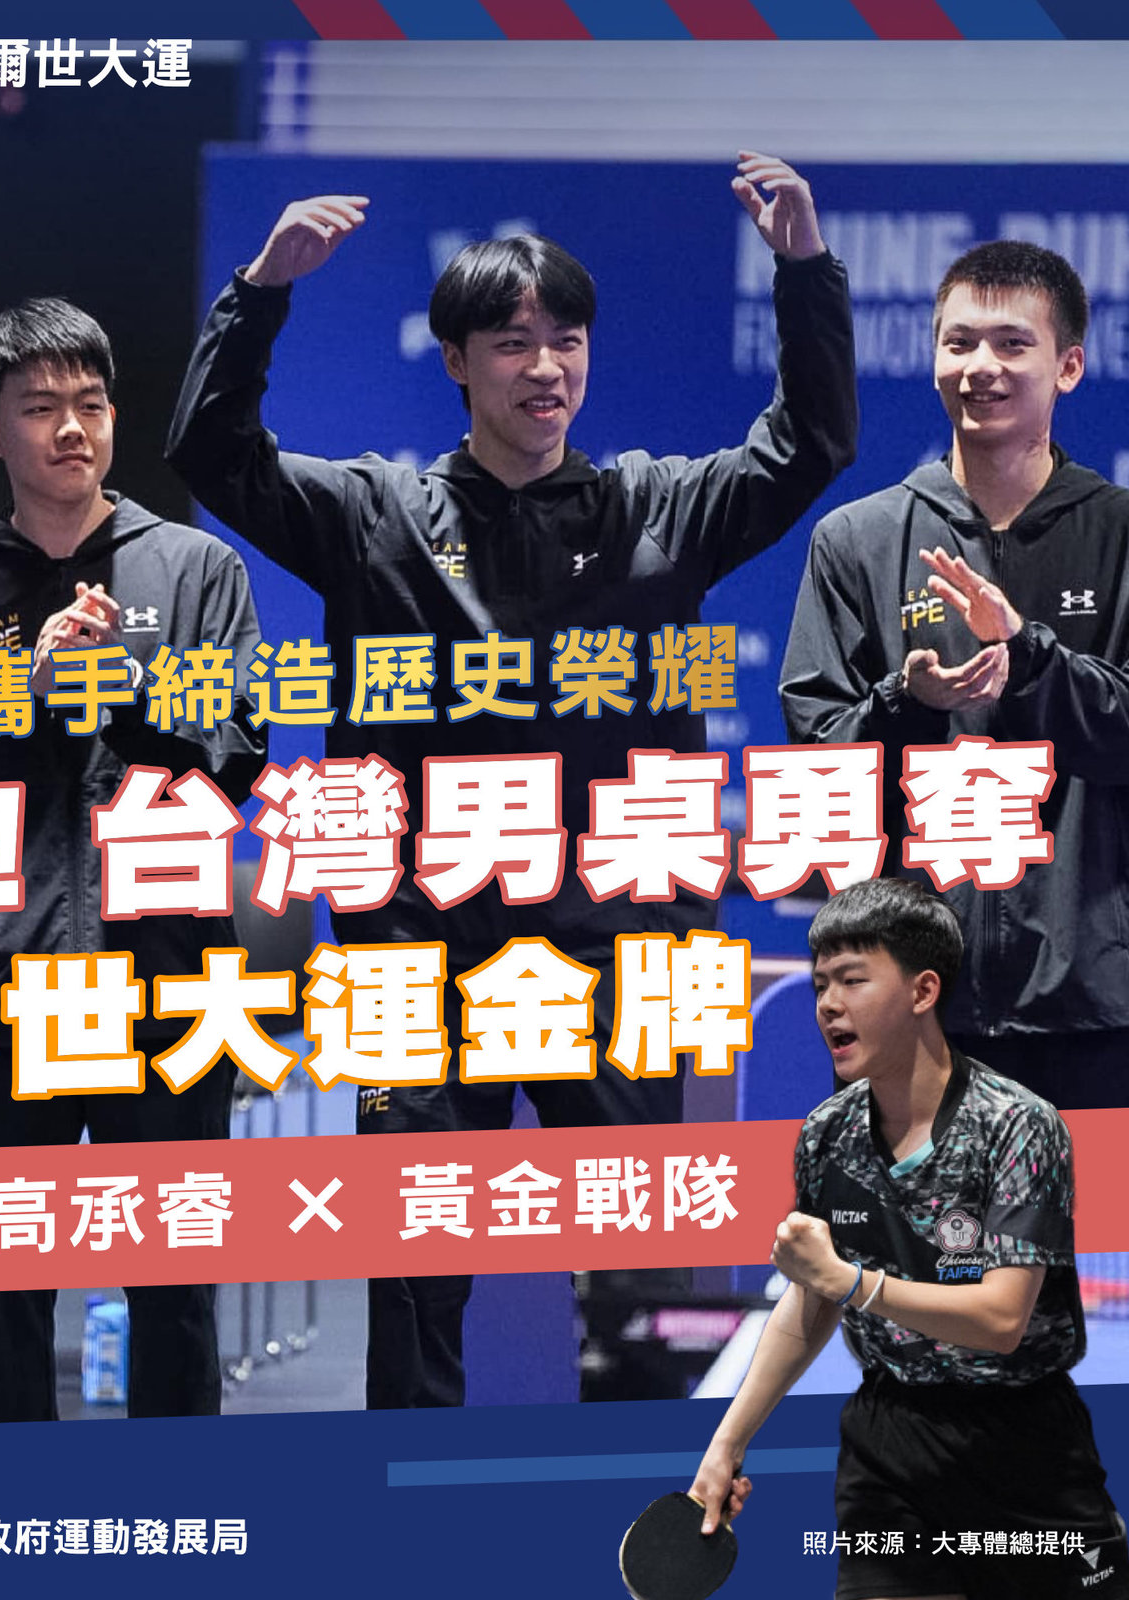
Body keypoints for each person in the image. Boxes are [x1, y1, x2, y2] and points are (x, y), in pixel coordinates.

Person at [168, 154, 857, 1407]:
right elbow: (211, 452)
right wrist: (258, 292)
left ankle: (638, 1498)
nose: (546, 368)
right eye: (512, 344)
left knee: (636, 1269)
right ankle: (403, 1493)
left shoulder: (661, 507)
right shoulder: (374, 514)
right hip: (416, 954)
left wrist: (804, 270)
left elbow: (810, 441)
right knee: (414, 1267)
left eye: (566, 342)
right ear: (456, 361)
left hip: (622, 947)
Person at [0, 297, 265, 1422]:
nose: (72, 428)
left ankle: (182, 1506)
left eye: (91, 403)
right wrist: (24, 696)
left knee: (173, 1286)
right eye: (40, 407)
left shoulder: (194, 570)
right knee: (6, 1291)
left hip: (166, 980)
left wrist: (122, 692)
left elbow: (236, 754)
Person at [687, 877, 1127, 1600]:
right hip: (888, 1448)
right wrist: (727, 1442)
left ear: (923, 991)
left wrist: (852, 1283)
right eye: (820, 984)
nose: (828, 1003)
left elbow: (1001, 1320)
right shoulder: (826, 1135)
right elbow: (811, 1300)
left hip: (1026, 1451)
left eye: (853, 980)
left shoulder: (1017, 1125)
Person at [782, 240, 1129, 1110]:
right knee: (905, 1209)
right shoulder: (856, 541)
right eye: (960, 342)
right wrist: (907, 701)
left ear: (1069, 366)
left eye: (1012, 344)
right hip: (910, 1003)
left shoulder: (1120, 536)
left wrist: (1030, 657)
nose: (981, 367)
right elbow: (817, 765)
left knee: (1085, 1207)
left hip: (1095, 1003)